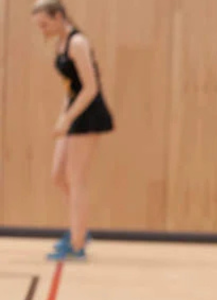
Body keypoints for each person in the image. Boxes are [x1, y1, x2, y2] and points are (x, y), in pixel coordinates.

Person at [31, 0, 114, 260]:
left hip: (88, 113)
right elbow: (72, 87)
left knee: (76, 179)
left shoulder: (78, 43)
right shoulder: (61, 43)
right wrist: (63, 116)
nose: (42, 30)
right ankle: (80, 228)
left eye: (45, 24)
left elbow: (90, 88)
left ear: (59, 17)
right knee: (58, 176)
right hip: (74, 111)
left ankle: (77, 244)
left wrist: (67, 119)